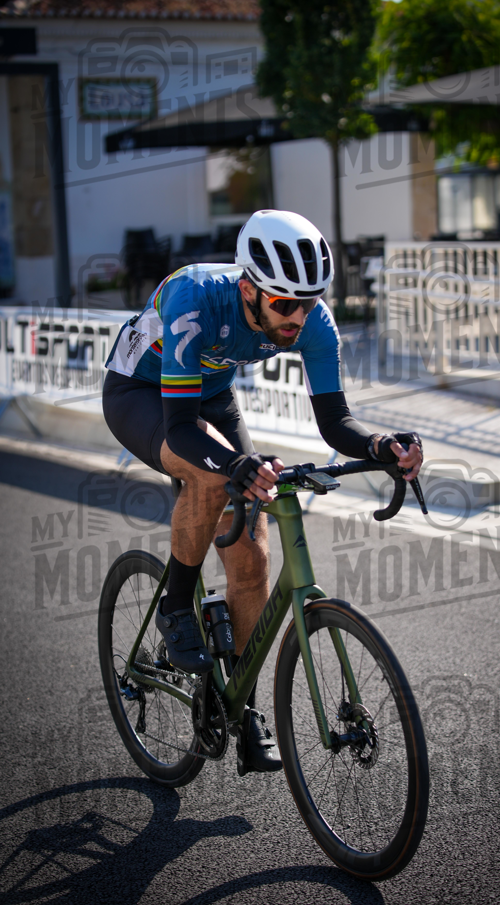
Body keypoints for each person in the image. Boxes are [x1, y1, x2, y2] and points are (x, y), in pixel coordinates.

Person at [102, 209, 423, 775]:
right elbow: (182, 429)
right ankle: (176, 604)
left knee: (251, 556)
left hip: (211, 393)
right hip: (143, 394)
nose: (298, 317)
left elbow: (335, 421)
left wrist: (380, 445)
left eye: (309, 303)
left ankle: (241, 704)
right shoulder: (195, 299)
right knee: (214, 475)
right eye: (284, 304)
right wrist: (235, 464)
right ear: (249, 289)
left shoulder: (311, 320)